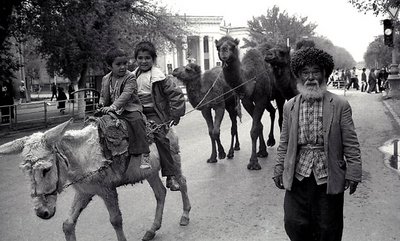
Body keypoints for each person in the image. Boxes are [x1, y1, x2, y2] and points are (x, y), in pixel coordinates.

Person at [273, 47, 362, 241]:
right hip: (298, 176)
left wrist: (354, 172)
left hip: (328, 175)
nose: (310, 77)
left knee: (328, 227)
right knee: (293, 223)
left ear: (324, 74)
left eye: (315, 72)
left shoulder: (339, 104)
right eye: (305, 72)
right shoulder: (291, 106)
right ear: (298, 76)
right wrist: (279, 168)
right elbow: (285, 142)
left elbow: (351, 142)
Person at [133, 41, 186, 191]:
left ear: (153, 59)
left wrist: (176, 114)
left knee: (162, 139)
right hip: (137, 112)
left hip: (155, 113)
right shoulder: (131, 77)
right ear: (136, 59)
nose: (144, 61)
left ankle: (170, 176)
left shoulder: (160, 77)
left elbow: (176, 94)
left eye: (147, 58)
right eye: (140, 58)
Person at [98, 47, 151, 170]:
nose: (123, 67)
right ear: (110, 67)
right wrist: (101, 104)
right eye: (118, 64)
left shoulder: (130, 77)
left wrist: (113, 107)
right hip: (112, 110)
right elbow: (102, 95)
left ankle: (145, 153)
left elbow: (126, 95)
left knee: (137, 121)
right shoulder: (106, 78)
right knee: (97, 125)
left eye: (125, 63)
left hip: (129, 108)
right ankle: (104, 154)